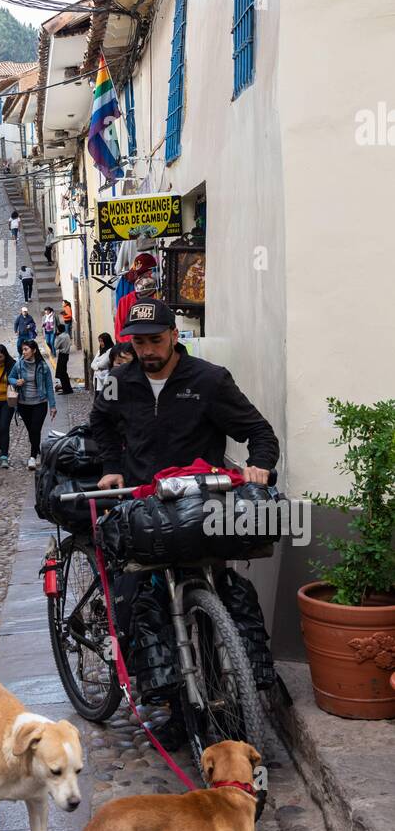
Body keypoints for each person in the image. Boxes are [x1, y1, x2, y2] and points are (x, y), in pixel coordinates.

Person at [91, 298, 280, 749]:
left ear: (175, 336)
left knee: (226, 595)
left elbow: (260, 432)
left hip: (201, 509)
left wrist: (259, 467)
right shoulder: (119, 381)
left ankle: (235, 686)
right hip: (146, 510)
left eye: (156, 340)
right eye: (139, 343)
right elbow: (100, 422)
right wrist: (112, 465)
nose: (148, 350)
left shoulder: (209, 381)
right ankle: (176, 708)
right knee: (139, 604)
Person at [8, 341, 57, 470]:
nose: (23, 352)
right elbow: (10, 378)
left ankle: (32, 457)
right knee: (31, 431)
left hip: (40, 403)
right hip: (23, 403)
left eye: (26, 349)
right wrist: (16, 381)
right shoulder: (19, 365)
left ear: (34, 350)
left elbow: (49, 387)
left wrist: (52, 406)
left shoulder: (43, 366)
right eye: (22, 350)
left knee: (35, 429)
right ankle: (38, 451)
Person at [54, 327, 73, 395]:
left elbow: (56, 347)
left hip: (62, 355)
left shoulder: (60, 337)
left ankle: (66, 389)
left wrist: (56, 337)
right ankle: (68, 388)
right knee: (64, 372)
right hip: (66, 355)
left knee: (62, 373)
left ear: (58, 330)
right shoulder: (67, 335)